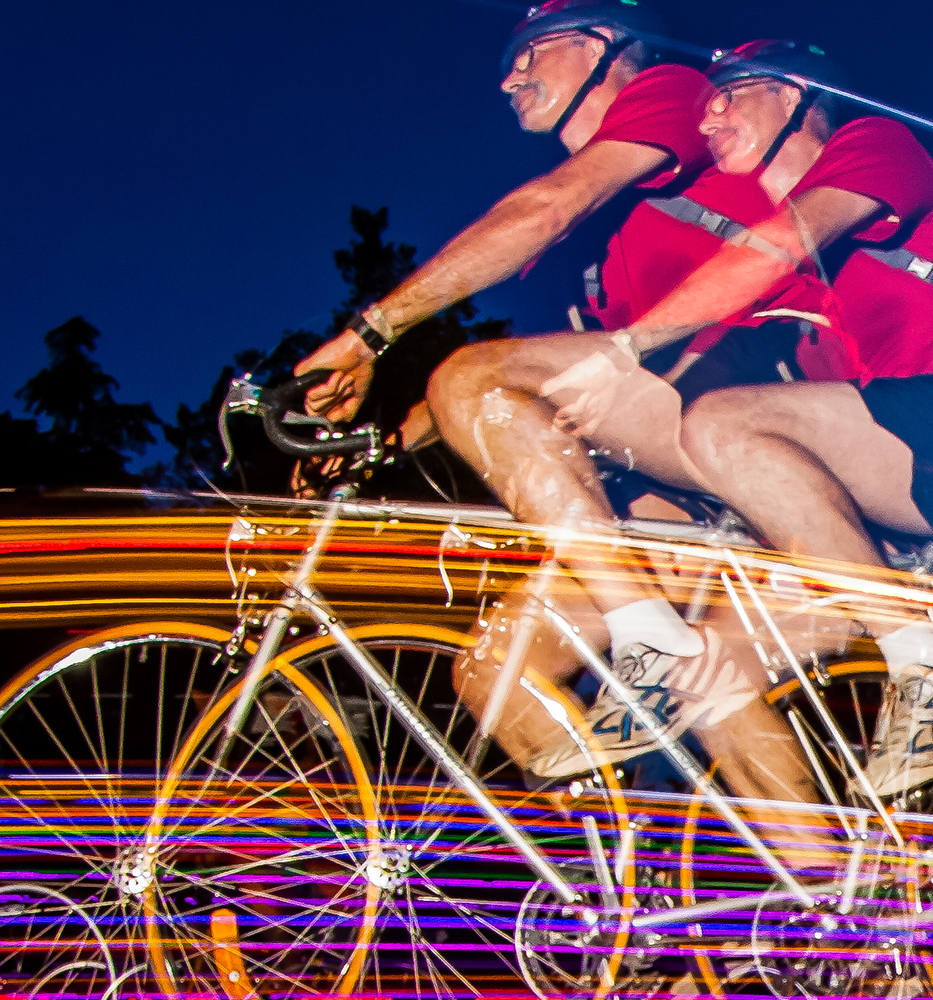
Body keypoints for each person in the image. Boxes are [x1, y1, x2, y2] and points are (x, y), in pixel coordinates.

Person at [287, 1, 818, 798]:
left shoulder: (673, 96)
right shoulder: (605, 245)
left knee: (469, 374)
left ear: (604, 47)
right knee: (499, 669)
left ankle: (648, 642)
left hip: (754, 414)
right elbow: (522, 376)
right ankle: (651, 886)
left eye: (532, 49)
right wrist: (385, 446)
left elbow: (543, 208)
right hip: (666, 465)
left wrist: (370, 333)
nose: (509, 76)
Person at [547, 40, 933, 796]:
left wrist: (620, 350)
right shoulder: (792, 289)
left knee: (724, 425)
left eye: (730, 94)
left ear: (792, 95)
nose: (708, 113)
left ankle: (931, 665)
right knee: (700, 671)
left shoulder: (873, 149)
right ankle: (844, 879)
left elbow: (779, 245)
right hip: (892, 476)